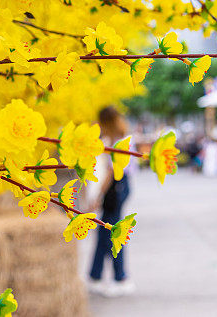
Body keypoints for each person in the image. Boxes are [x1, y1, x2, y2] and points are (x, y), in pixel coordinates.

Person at [88, 106, 135, 297]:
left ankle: (121, 278)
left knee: (113, 234)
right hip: (118, 187)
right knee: (104, 232)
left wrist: (98, 196)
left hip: (116, 187)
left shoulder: (118, 141)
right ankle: (95, 276)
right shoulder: (117, 137)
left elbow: (111, 171)